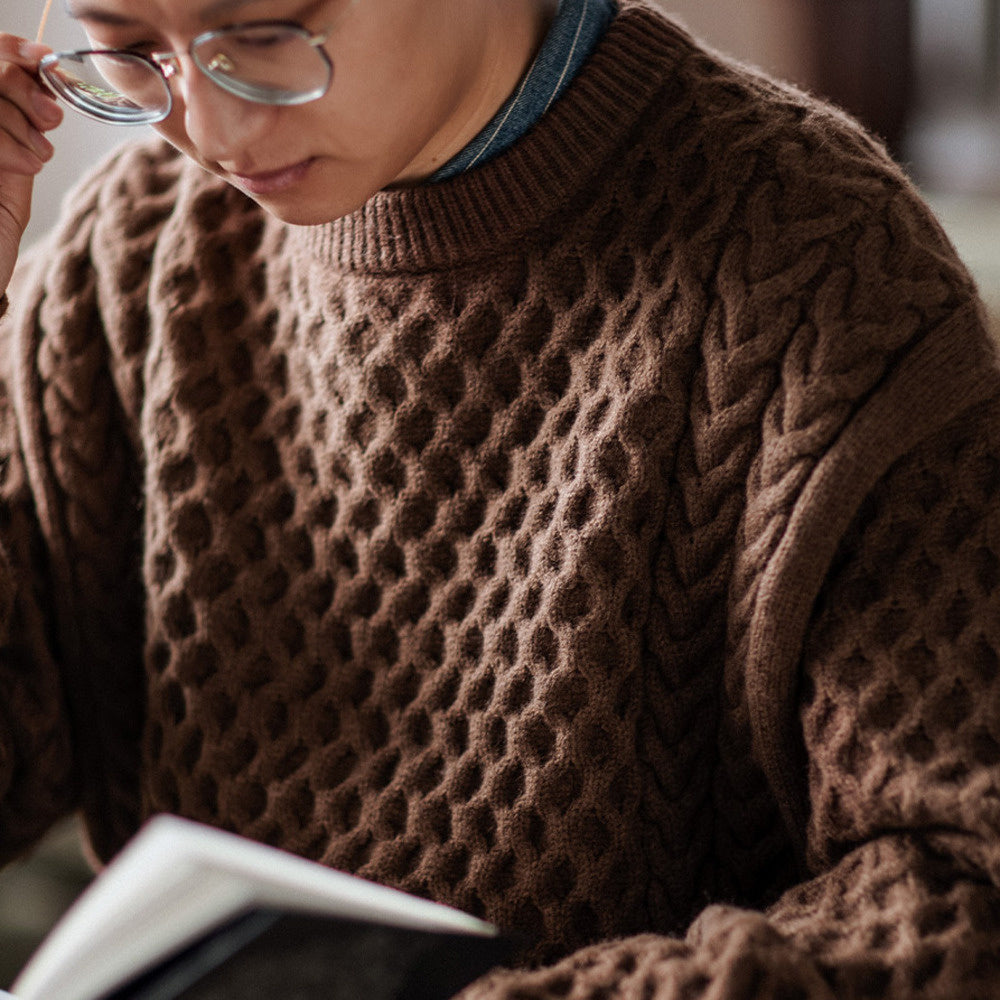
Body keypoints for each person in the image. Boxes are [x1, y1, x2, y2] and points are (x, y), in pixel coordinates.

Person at [1, 0, 999, 996]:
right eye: (130, 52)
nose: (209, 131)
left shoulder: (822, 272)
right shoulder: (127, 257)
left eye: (264, 37)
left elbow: (961, 897)